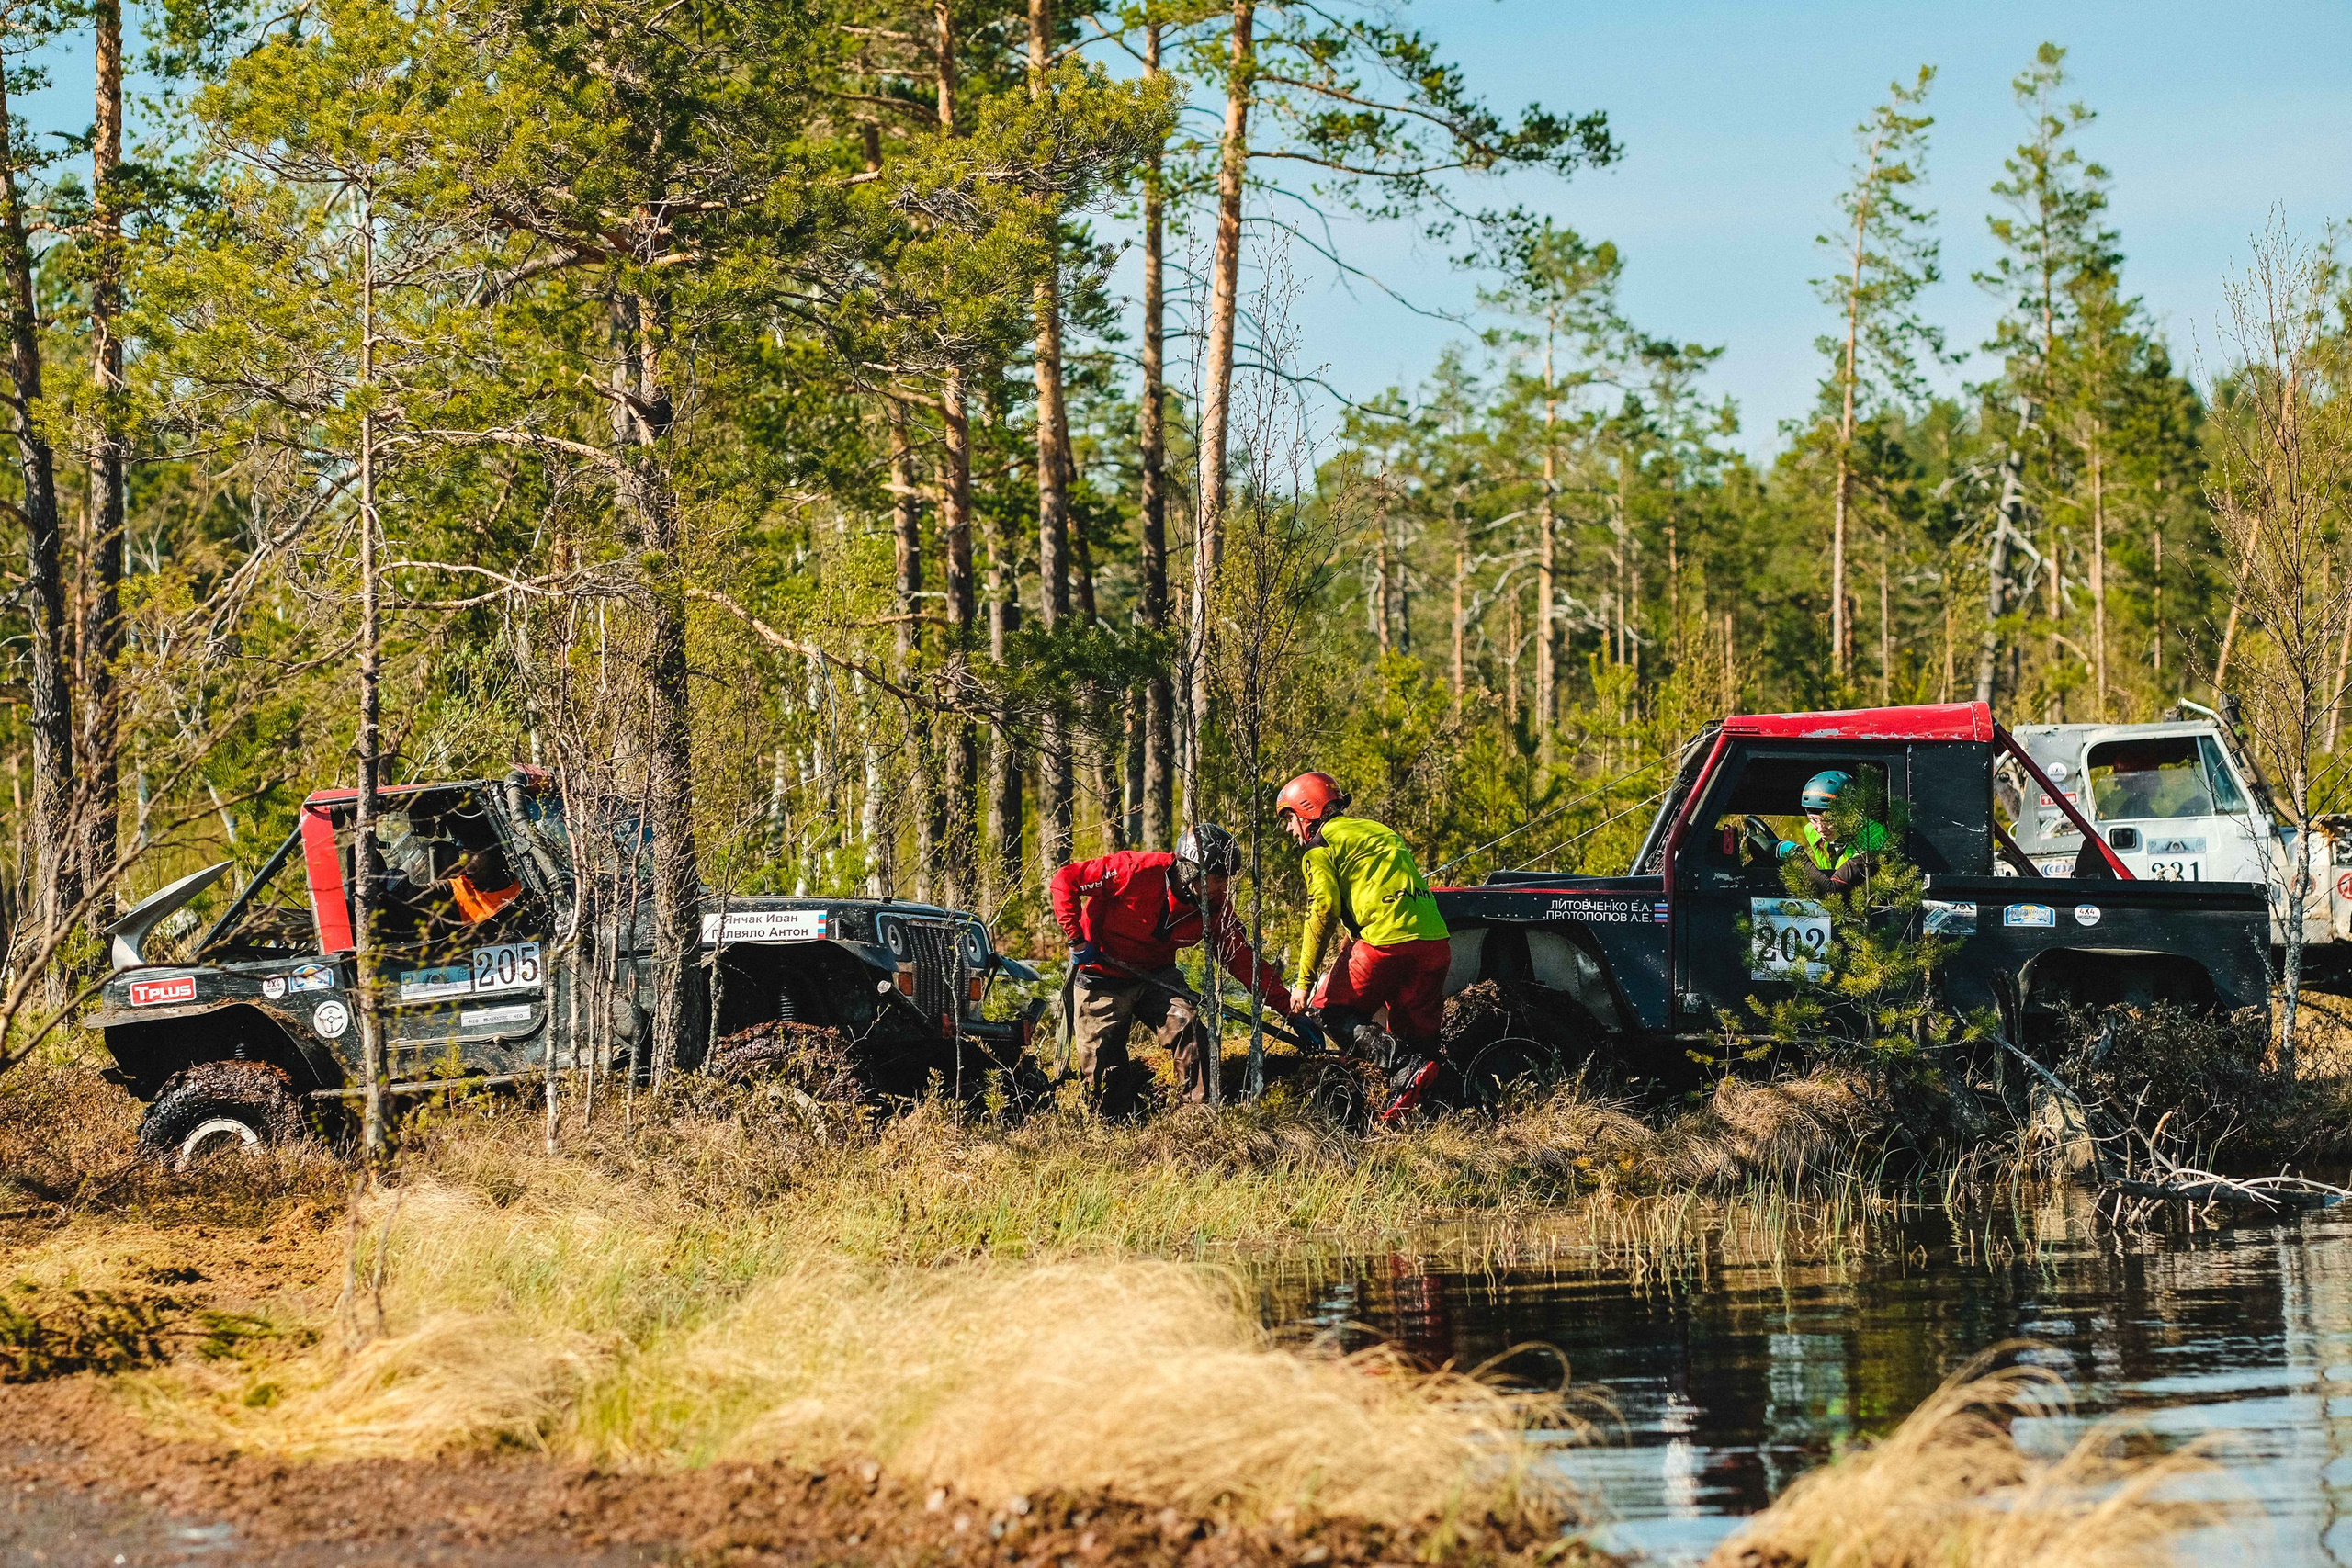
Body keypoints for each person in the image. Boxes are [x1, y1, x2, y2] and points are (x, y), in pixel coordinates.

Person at [1048, 823, 1298, 1114]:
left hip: (1157, 976)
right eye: (1217, 878)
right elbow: (1065, 880)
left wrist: (1288, 1008)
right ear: (1190, 869)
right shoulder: (1133, 870)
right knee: (1103, 1067)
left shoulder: (1214, 906)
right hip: (1102, 975)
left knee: (1190, 1027)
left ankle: (1199, 1115)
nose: (1223, 886)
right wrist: (1076, 939)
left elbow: (1241, 957)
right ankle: (1109, 1134)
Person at [1276, 773, 1453, 1122]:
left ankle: (1404, 1067)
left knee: (1330, 1011)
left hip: (1385, 946)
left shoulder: (1320, 847)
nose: (1289, 830)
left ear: (1306, 812)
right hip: (1436, 943)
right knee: (1415, 1035)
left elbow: (1322, 909)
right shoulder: (1380, 831)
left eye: (1289, 819)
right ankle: (1437, 1112)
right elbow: (1380, 900)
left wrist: (1304, 984)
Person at [1777, 769, 1889, 896]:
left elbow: (1833, 890)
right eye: (1813, 820)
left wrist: (1796, 856)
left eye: (1829, 821)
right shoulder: (1811, 831)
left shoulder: (1874, 835)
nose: (1820, 829)